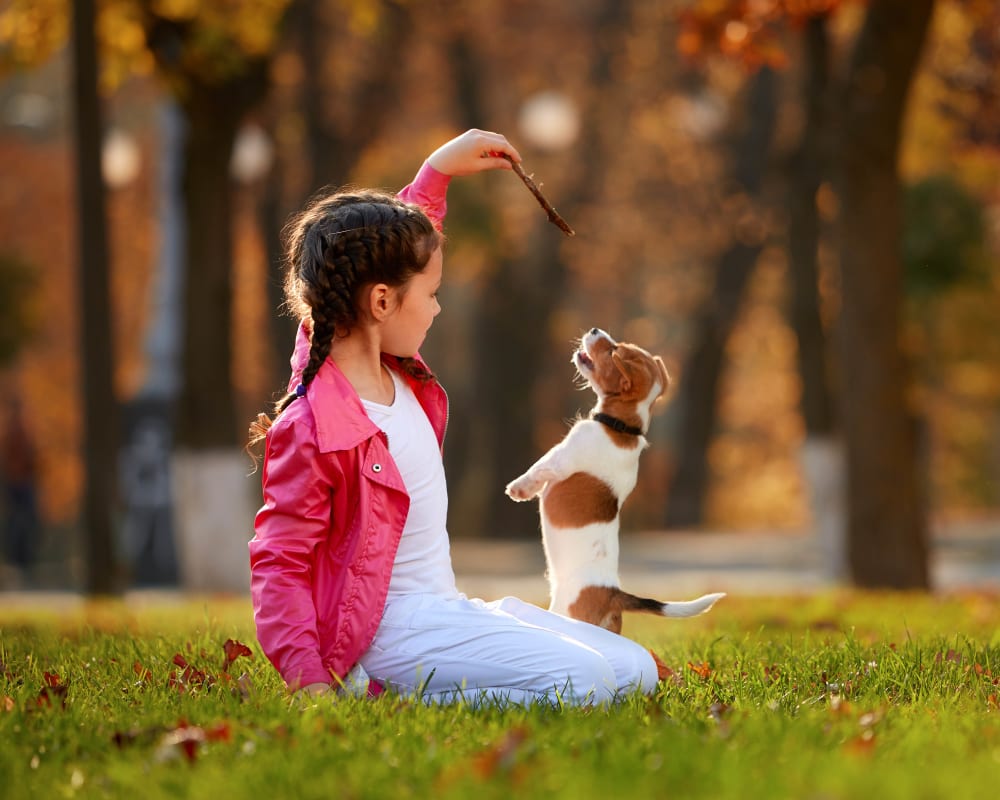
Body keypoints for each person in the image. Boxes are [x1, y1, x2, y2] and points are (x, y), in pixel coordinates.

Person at [248, 129, 659, 706]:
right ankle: (376, 699)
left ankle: (443, 670)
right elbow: (280, 561)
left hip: (443, 611)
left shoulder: (396, 367)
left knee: (635, 671)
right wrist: (309, 681)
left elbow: (388, 251)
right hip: (388, 634)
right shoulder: (315, 421)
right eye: (433, 293)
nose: (438, 306)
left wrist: (436, 171)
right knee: (589, 685)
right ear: (382, 303)